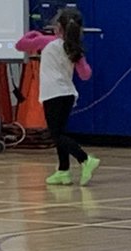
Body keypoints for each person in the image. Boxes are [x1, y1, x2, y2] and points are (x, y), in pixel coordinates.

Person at [15, 9, 98, 186]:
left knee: (55, 134)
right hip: (68, 94)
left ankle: (85, 159)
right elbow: (86, 75)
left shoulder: (47, 42)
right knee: (60, 132)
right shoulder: (73, 48)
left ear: (58, 27)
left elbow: (21, 45)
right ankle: (63, 170)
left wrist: (33, 34)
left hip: (53, 94)